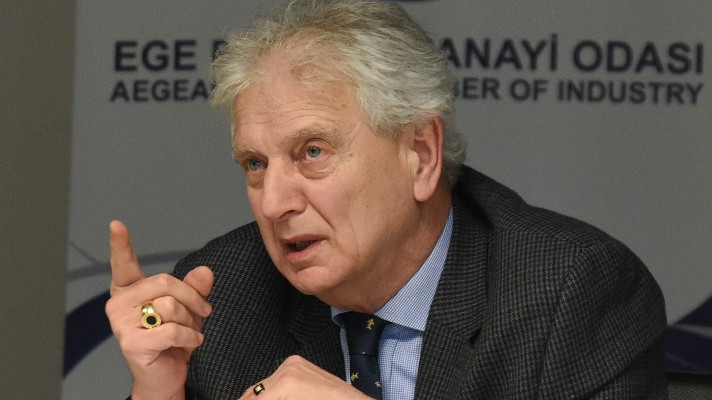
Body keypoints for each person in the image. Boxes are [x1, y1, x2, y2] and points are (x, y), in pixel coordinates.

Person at [105, 0, 667, 399]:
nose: (274, 203)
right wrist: (157, 392)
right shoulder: (221, 298)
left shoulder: (569, 291)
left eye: (312, 152)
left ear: (420, 155)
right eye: (255, 163)